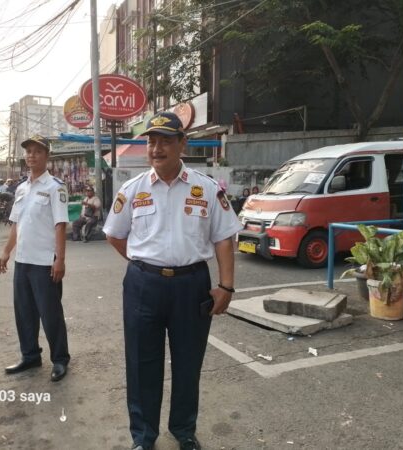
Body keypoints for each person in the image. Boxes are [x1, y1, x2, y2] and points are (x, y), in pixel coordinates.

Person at [103, 112, 242, 450]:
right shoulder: (132, 189)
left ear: (183, 144)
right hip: (143, 287)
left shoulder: (206, 188)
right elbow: (115, 235)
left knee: (187, 363)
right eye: (152, 141)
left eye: (166, 140)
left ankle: (183, 429)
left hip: (191, 286)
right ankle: (143, 437)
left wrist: (225, 286)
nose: (157, 147)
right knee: (141, 364)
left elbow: (224, 237)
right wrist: (143, 264)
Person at [0, 135, 70, 383]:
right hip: (23, 261)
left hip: (44, 262)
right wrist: (7, 252)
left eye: (37, 151)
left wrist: (59, 259)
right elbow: (17, 224)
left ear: (46, 156)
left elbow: (60, 225)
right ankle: (30, 356)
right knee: (24, 312)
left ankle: (60, 359)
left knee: (50, 314)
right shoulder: (22, 188)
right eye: (28, 152)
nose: (31, 156)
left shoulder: (55, 187)